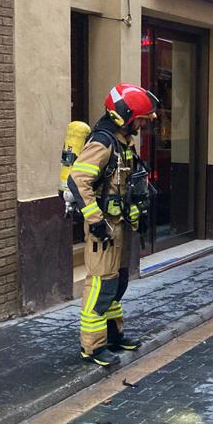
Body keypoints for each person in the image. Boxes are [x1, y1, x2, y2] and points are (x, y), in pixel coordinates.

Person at [66, 83, 158, 366]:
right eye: (141, 119)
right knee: (101, 285)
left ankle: (113, 335)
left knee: (117, 283)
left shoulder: (122, 142)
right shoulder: (103, 142)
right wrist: (95, 220)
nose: (143, 125)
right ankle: (93, 347)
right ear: (124, 115)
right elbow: (78, 180)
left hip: (119, 226)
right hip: (104, 229)